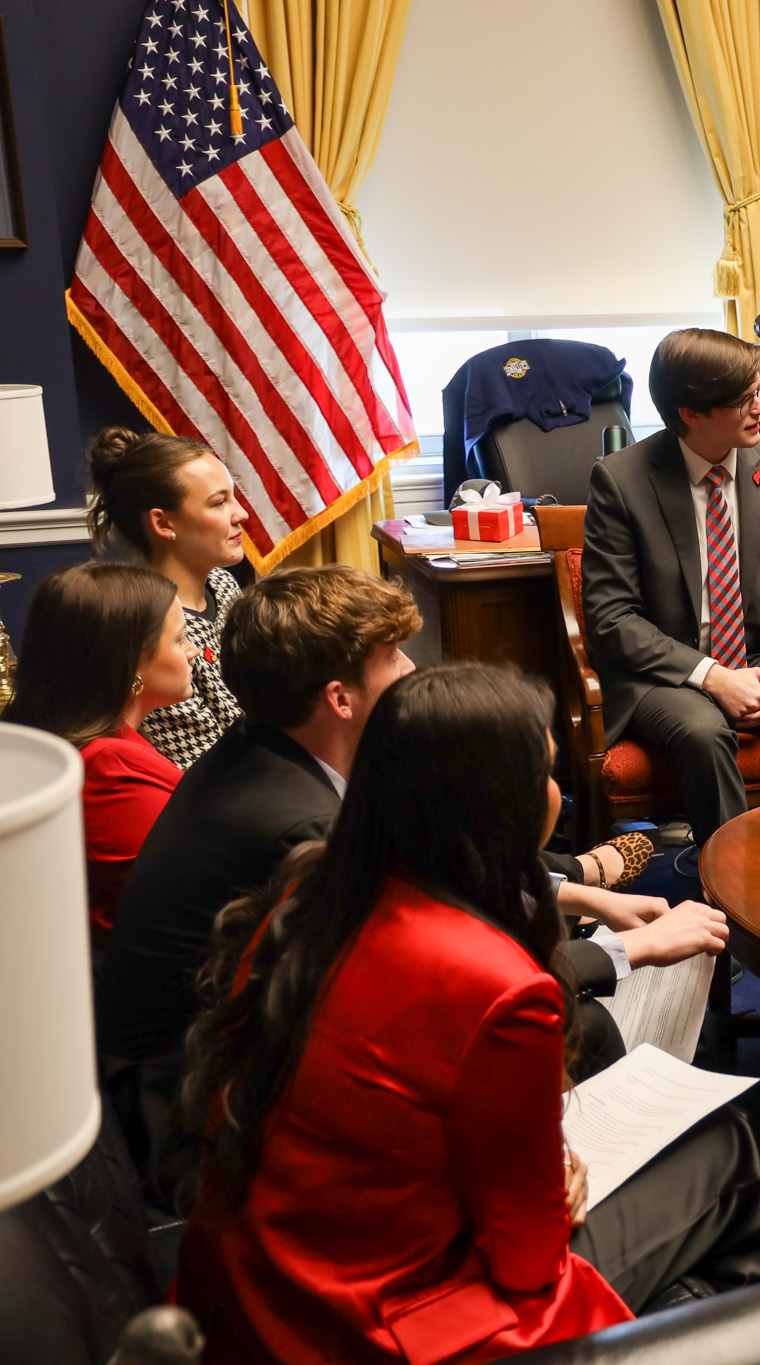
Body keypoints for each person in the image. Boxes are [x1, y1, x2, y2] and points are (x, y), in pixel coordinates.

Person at [174, 664, 760, 1361]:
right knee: (726, 1146)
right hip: (382, 1326)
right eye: (544, 774)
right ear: (498, 808)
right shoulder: (498, 984)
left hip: (254, 1286)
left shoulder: (308, 891)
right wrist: (555, 1185)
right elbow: (527, 1259)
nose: (556, 794)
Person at [99, 566, 715, 1072]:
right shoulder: (300, 828)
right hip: (215, 1086)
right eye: (392, 657)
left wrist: (582, 897)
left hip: (266, 1033)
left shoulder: (273, 746)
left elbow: (425, 877)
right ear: (339, 699)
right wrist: (630, 949)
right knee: (581, 1026)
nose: (411, 670)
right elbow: (431, 990)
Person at [581, 328, 760, 851]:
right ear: (691, 412)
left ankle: (754, 861)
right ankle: (733, 875)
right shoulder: (621, 481)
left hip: (759, 659)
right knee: (704, 732)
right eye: (743, 400)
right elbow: (612, 619)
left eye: (759, 391)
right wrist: (712, 676)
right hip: (665, 673)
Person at [5, 563, 196, 940]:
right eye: (180, 639)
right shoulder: (109, 769)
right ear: (132, 663)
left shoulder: (106, 742)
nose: (192, 651)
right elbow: (189, 894)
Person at [85, 427, 248, 768]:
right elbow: (208, 767)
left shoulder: (223, 585)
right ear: (163, 523)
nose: (241, 514)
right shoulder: (151, 628)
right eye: (219, 502)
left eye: (233, 497)